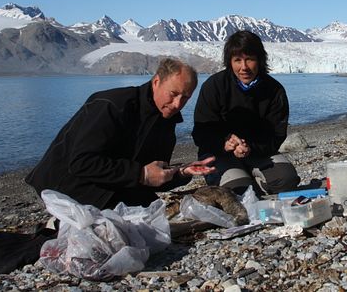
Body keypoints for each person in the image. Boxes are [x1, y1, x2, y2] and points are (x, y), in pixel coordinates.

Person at [25, 58, 215, 209]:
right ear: (156, 81)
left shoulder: (167, 122)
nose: (177, 104)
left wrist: (181, 172)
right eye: (173, 94)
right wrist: (141, 174)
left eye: (186, 97)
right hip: (64, 187)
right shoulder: (112, 105)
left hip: (111, 184)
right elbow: (81, 162)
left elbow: (153, 176)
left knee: (152, 213)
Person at [192, 30, 300, 195]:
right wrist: (223, 143)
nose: (244, 67)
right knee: (238, 191)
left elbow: (276, 135)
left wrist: (250, 147)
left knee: (287, 180)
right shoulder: (214, 86)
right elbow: (201, 132)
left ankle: (252, 181)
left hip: (258, 153)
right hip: (220, 154)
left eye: (249, 59)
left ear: (259, 60)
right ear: (230, 62)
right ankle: (245, 181)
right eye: (237, 60)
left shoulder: (274, 90)